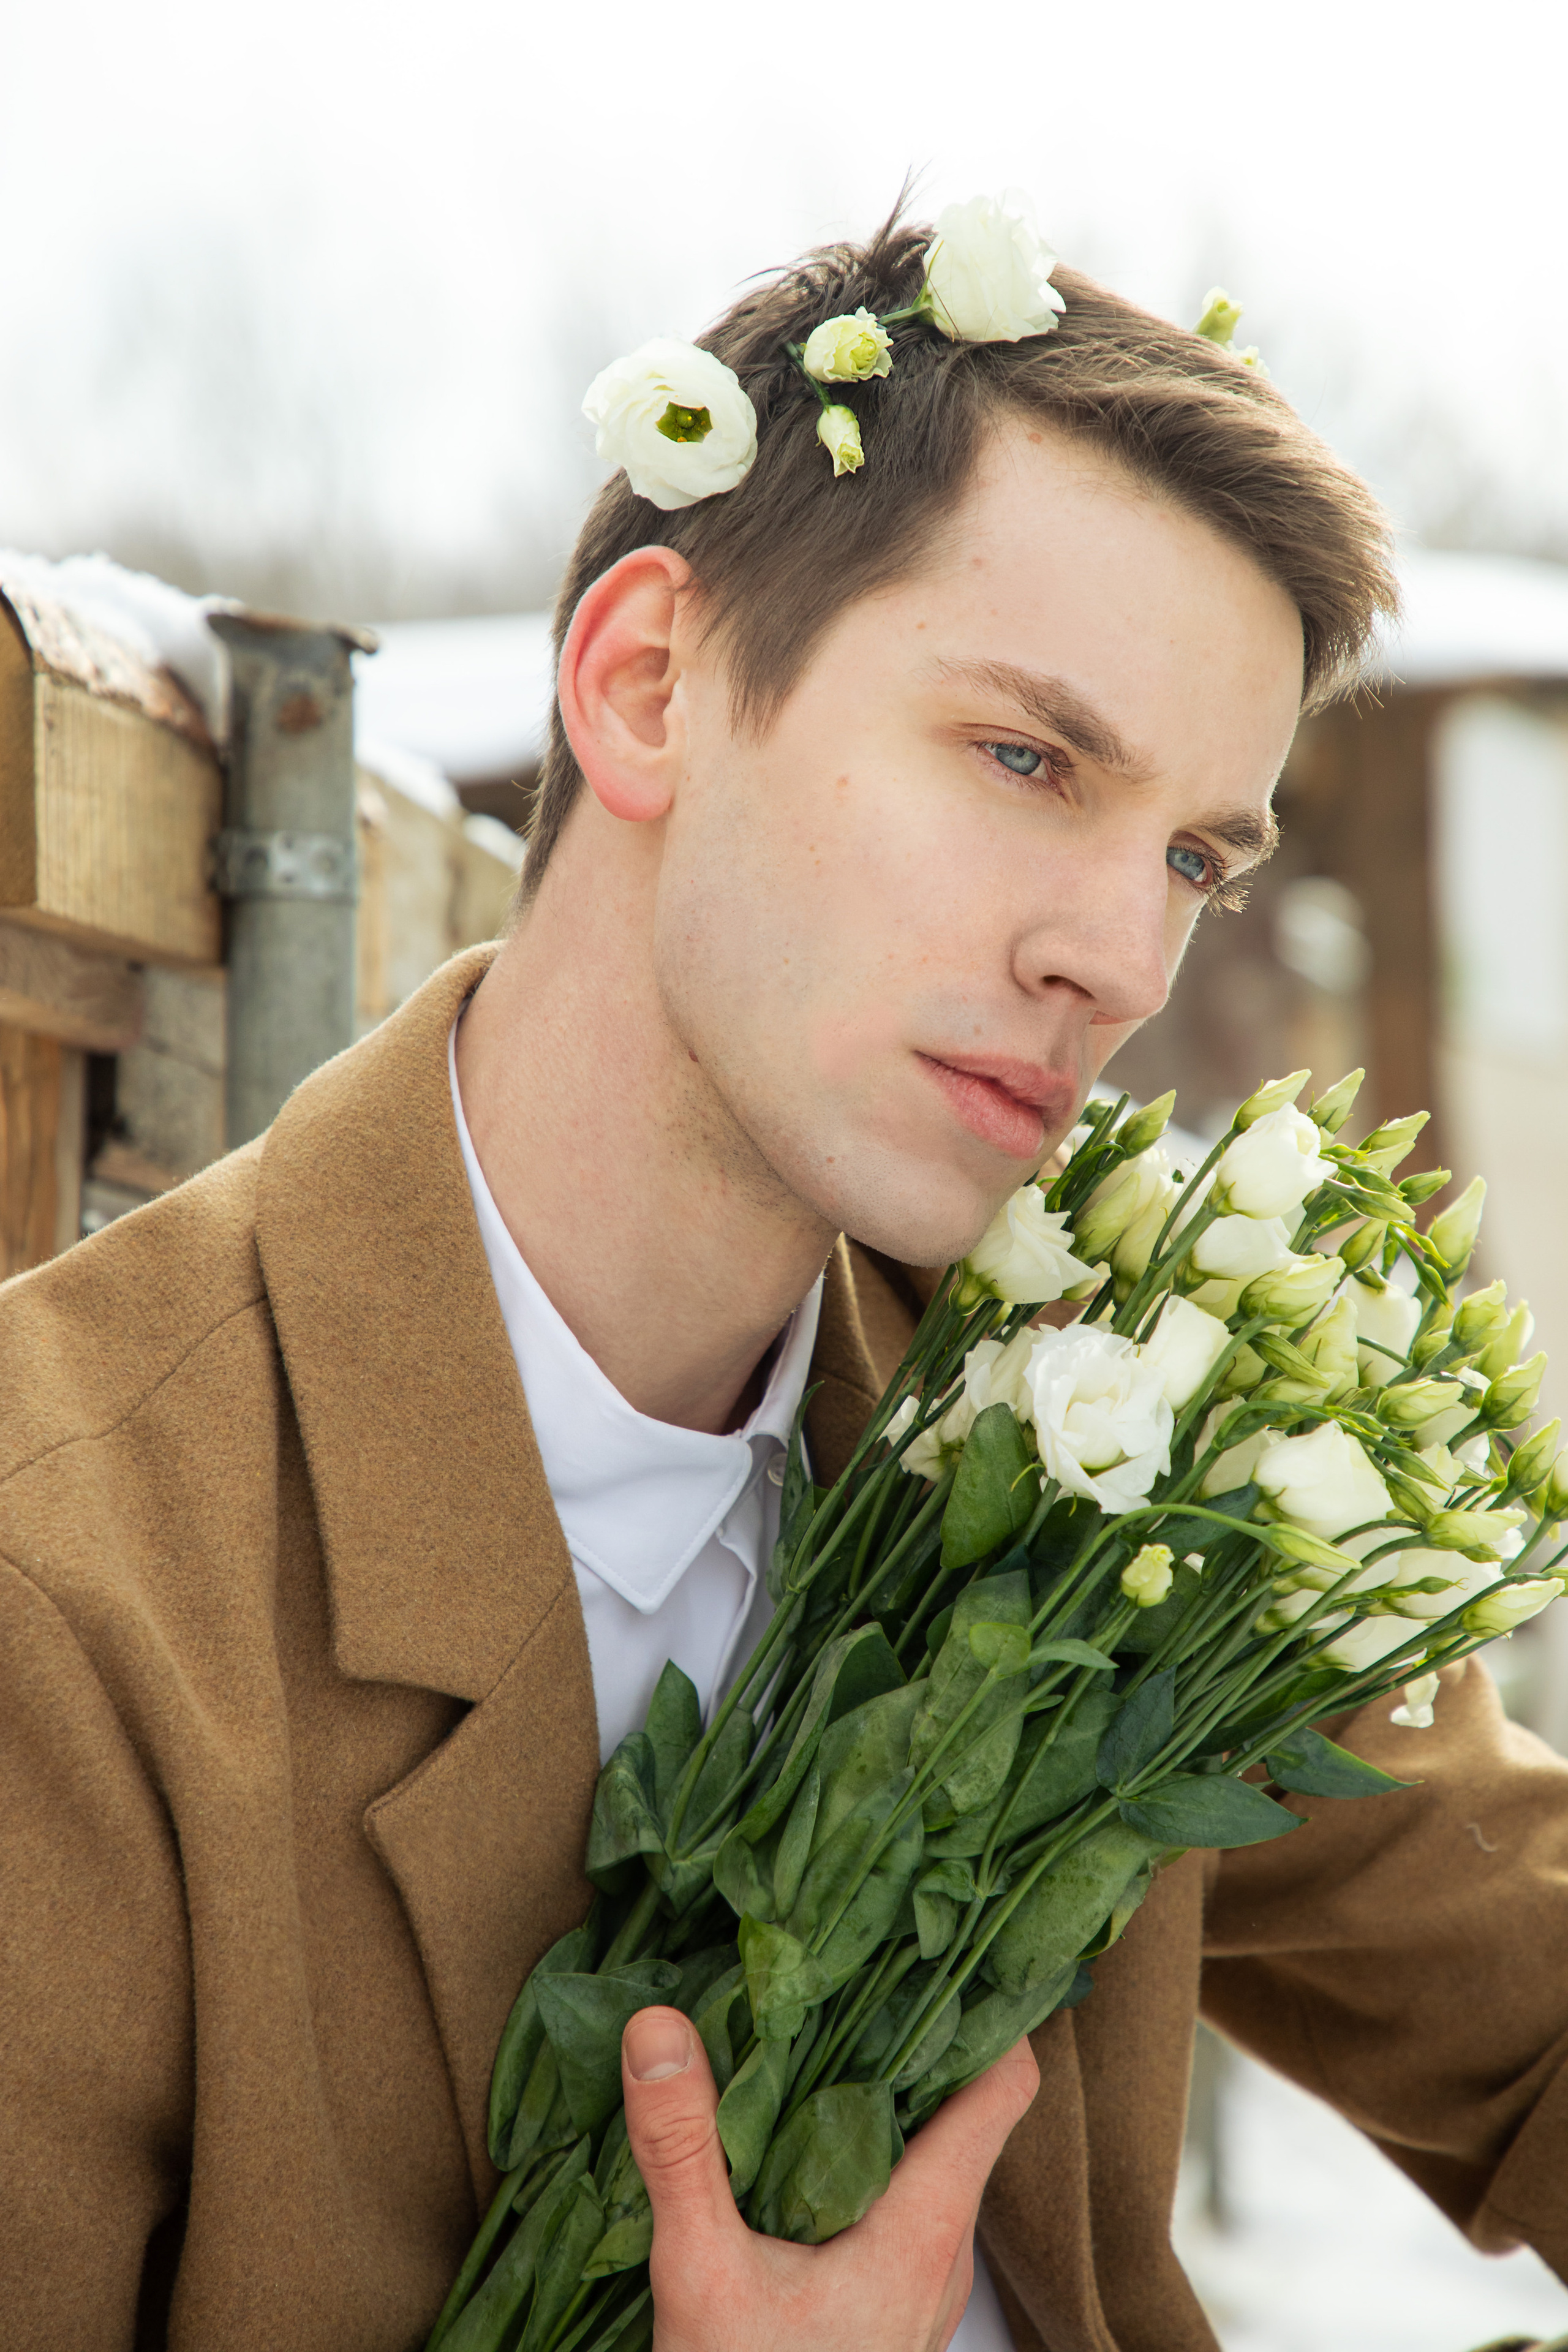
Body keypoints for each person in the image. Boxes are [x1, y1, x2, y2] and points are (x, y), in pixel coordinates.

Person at [3, 197, 1566, 2352]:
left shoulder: (1107, 1422)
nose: (1119, 962)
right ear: (650, 686)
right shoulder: (64, 1597)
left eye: (1195, 858)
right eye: (1030, 759)